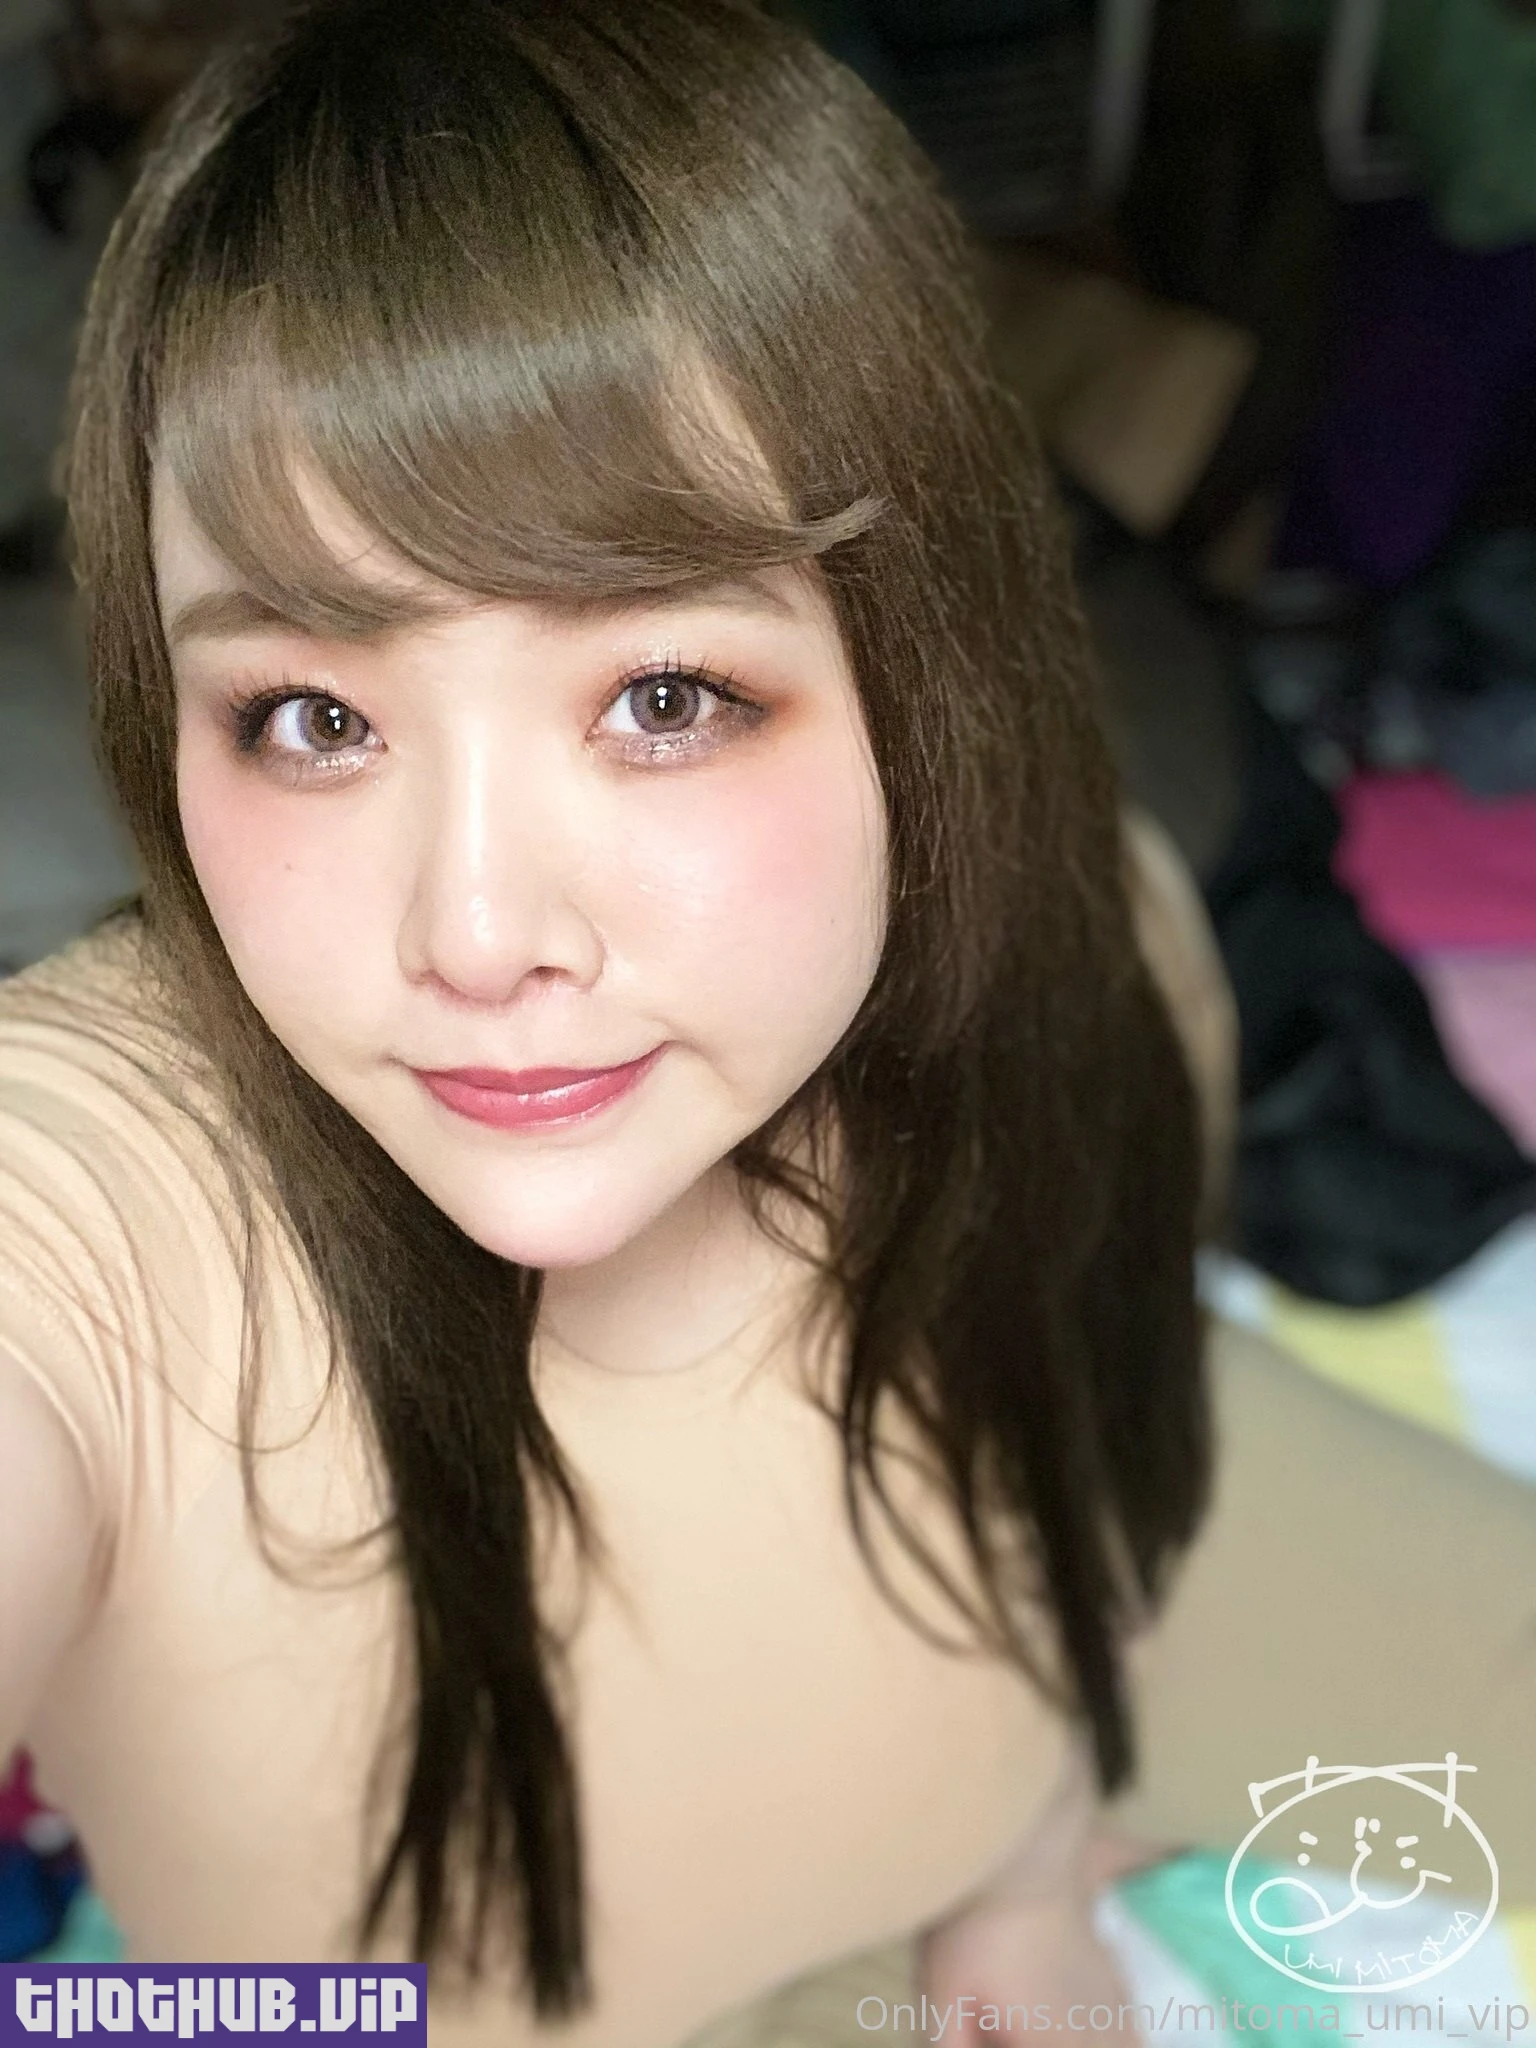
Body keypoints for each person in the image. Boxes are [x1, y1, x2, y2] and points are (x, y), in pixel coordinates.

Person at [2, 5, 1533, 2047]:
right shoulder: (110, 1209)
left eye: (663, 697)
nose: (477, 934)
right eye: (312, 718)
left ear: (919, 674)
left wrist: (1020, 1872)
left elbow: (1064, 1449)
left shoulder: (1092, 945)